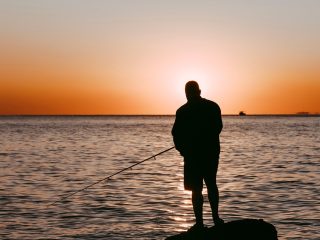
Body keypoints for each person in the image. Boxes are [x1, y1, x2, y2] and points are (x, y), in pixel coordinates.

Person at [172, 80, 224, 231]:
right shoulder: (213, 107)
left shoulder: (182, 111)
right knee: (210, 185)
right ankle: (215, 219)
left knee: (198, 189)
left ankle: (200, 223)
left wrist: (184, 149)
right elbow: (218, 127)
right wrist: (185, 149)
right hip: (209, 153)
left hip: (194, 155)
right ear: (199, 91)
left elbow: (176, 135)